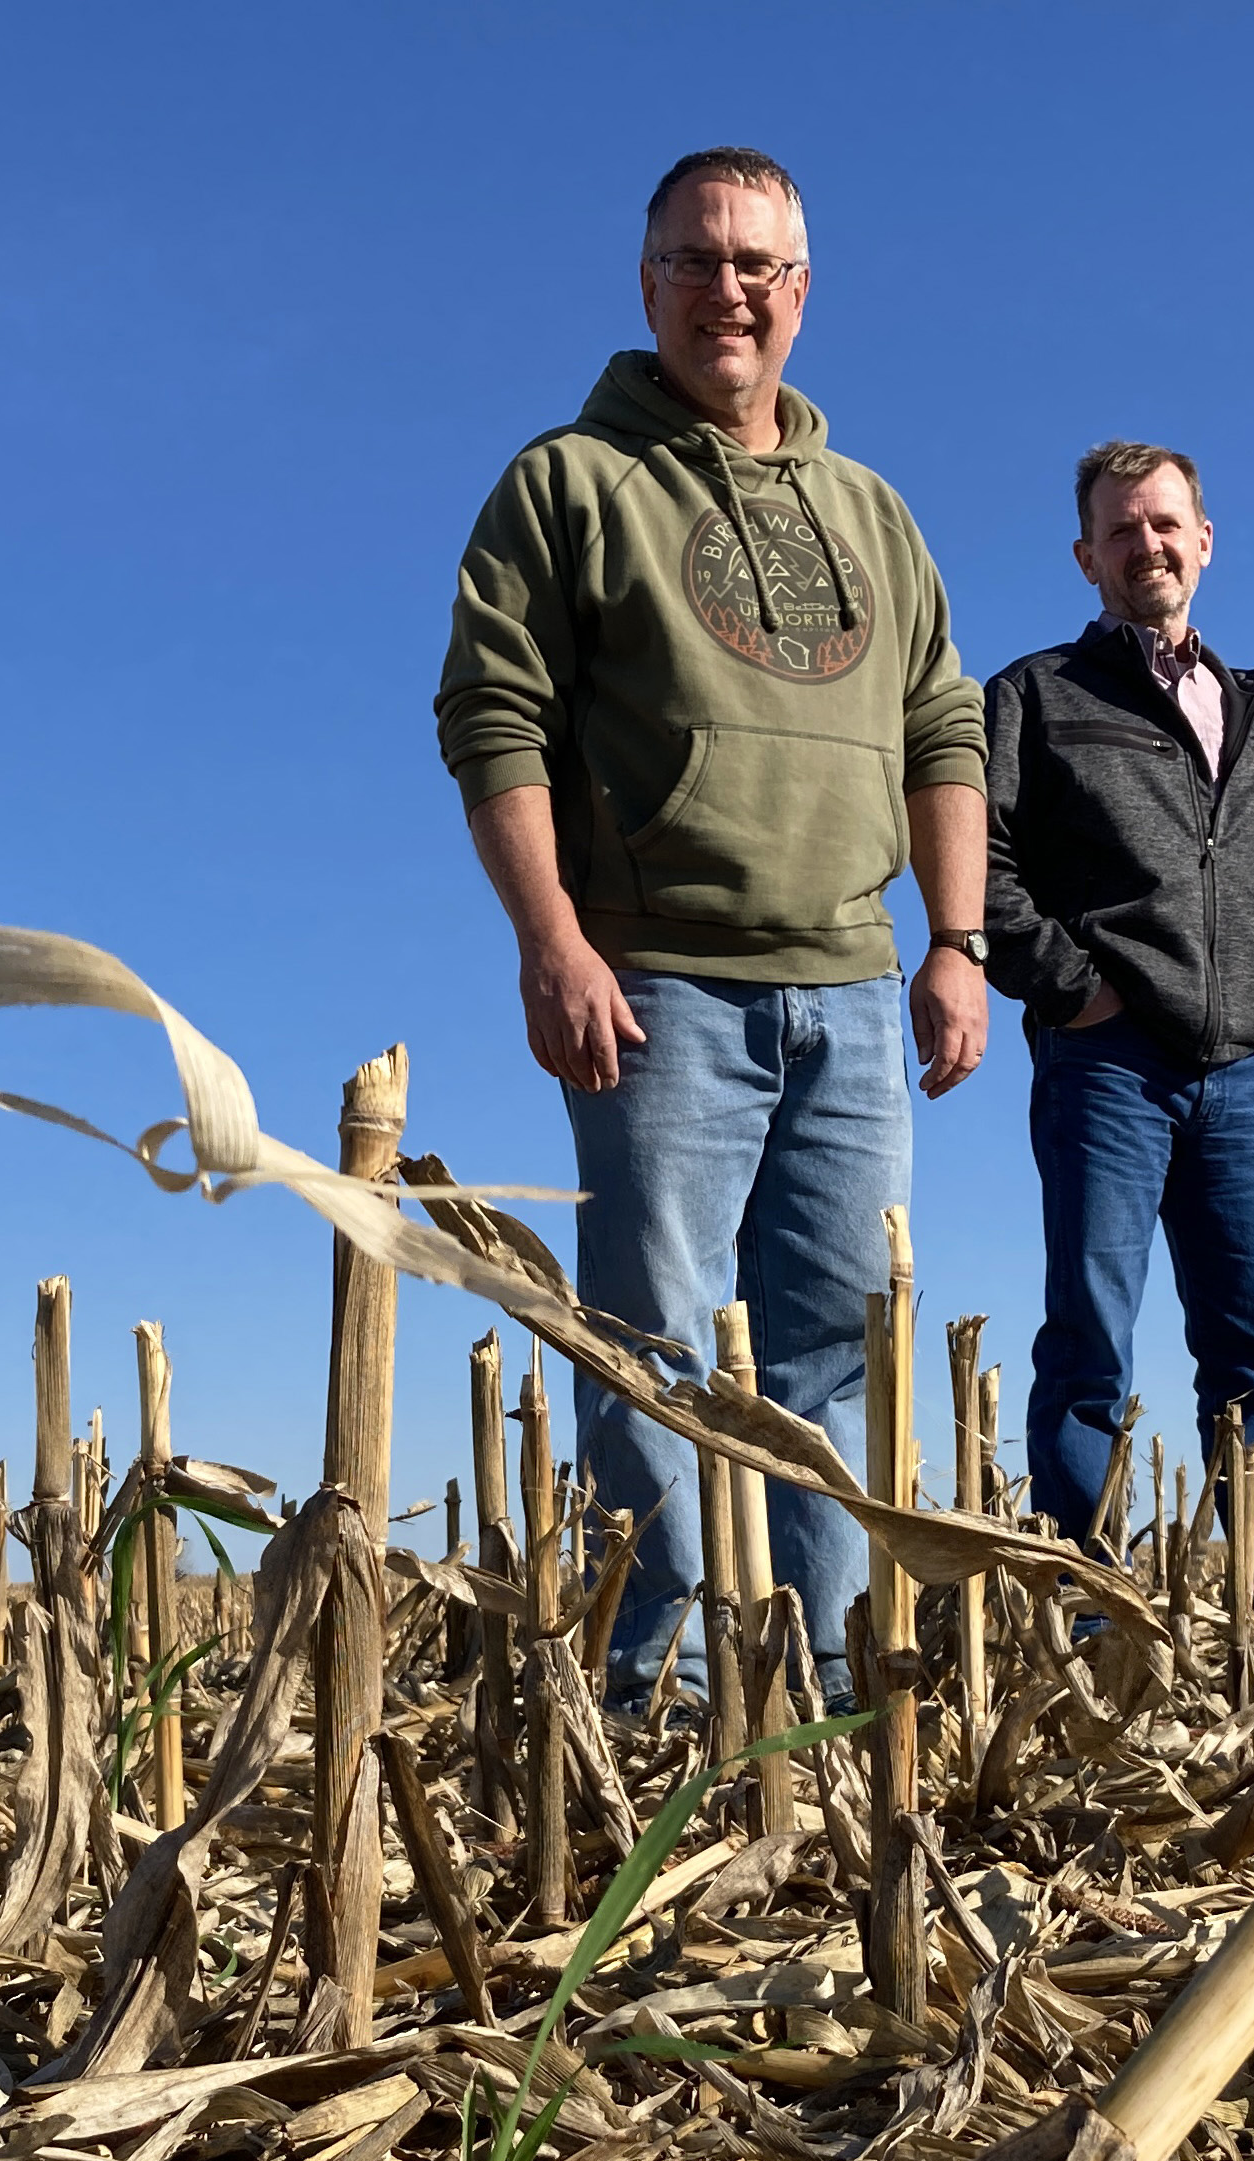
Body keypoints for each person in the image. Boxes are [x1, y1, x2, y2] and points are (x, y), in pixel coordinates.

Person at [436, 147, 989, 1702]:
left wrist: (957, 943)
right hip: (658, 989)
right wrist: (551, 937)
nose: (726, 291)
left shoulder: (871, 512)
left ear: (802, 292)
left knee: (834, 1354)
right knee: (658, 1352)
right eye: (695, 260)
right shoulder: (567, 481)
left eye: (758, 265)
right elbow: (495, 716)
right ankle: (659, 1696)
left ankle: (812, 1692)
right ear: (646, 283)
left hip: (857, 991)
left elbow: (946, 728)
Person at [981, 440, 1254, 1638]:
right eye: (1123, 532)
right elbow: (982, 864)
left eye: (1167, 524)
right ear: (1087, 556)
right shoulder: (1035, 698)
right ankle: (1083, 1629)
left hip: (1244, 1073)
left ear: (1206, 539)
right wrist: (1078, 988)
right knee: (1090, 1345)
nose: (1150, 547)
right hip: (1108, 1068)